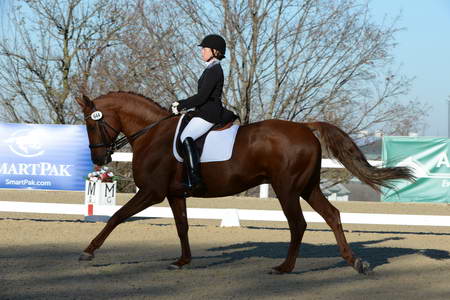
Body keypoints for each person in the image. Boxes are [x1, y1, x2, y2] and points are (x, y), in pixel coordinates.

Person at [171, 34, 227, 192]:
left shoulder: (214, 70)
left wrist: (182, 105)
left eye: (205, 49)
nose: (202, 51)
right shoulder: (210, 68)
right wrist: (182, 103)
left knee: (186, 138)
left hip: (209, 113)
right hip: (202, 112)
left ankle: (195, 180)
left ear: (215, 51)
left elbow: (202, 97)